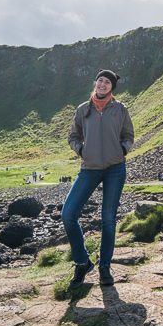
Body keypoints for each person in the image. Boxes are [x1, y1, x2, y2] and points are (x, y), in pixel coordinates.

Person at [64, 69, 135, 289]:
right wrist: (82, 151)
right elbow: (73, 136)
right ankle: (83, 261)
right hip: (89, 168)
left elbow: (129, 135)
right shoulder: (83, 110)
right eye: (100, 80)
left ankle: (105, 267)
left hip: (115, 168)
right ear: (95, 83)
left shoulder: (120, 109)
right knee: (68, 214)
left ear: (112, 87)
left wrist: (122, 150)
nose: (103, 84)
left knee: (108, 219)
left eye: (108, 82)